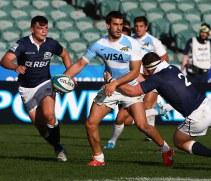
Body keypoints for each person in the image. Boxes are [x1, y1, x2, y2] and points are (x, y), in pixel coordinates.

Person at [63, 11, 173, 167]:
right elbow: (80, 64)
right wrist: (64, 78)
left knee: (143, 126)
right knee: (91, 123)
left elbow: (135, 71)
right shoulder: (98, 45)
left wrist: (115, 83)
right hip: (111, 88)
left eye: (121, 24)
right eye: (115, 24)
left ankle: (166, 149)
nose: (119, 28)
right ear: (108, 25)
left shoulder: (132, 43)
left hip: (131, 88)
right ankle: (98, 158)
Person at [0, 16, 72, 162]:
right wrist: (16, 67)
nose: (44, 31)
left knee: (48, 115)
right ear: (32, 29)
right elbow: (4, 60)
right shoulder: (23, 44)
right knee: (40, 127)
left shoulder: (51, 44)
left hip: (45, 83)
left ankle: (58, 147)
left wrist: (69, 74)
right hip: (26, 89)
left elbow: (65, 54)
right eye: (40, 28)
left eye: (46, 28)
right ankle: (58, 146)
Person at [104, 16, 169, 148]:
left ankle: (113, 141)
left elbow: (164, 57)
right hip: (133, 80)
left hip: (149, 80)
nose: (138, 29)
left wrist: (151, 70)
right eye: (136, 26)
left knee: (145, 108)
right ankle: (113, 140)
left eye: (141, 26)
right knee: (124, 119)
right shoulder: (130, 41)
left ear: (146, 27)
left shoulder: (153, 41)